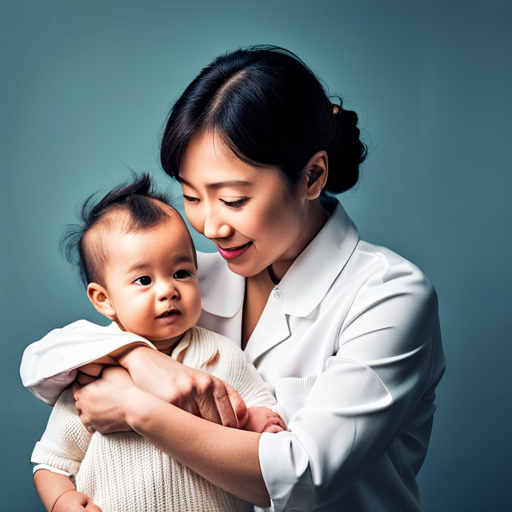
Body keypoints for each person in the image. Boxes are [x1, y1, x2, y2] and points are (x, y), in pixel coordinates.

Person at [21, 45, 445, 512]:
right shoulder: (185, 279)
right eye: (192, 197)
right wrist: (143, 361)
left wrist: (138, 410)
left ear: (312, 176)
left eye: (233, 199)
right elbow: (43, 360)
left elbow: (303, 474)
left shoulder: (391, 296)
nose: (210, 226)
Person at [27, 175, 285, 512]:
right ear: (103, 299)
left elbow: (268, 428)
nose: (168, 290)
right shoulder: (94, 369)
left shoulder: (221, 354)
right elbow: (52, 460)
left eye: (181, 272)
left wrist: (252, 422)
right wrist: (60, 499)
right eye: (144, 280)